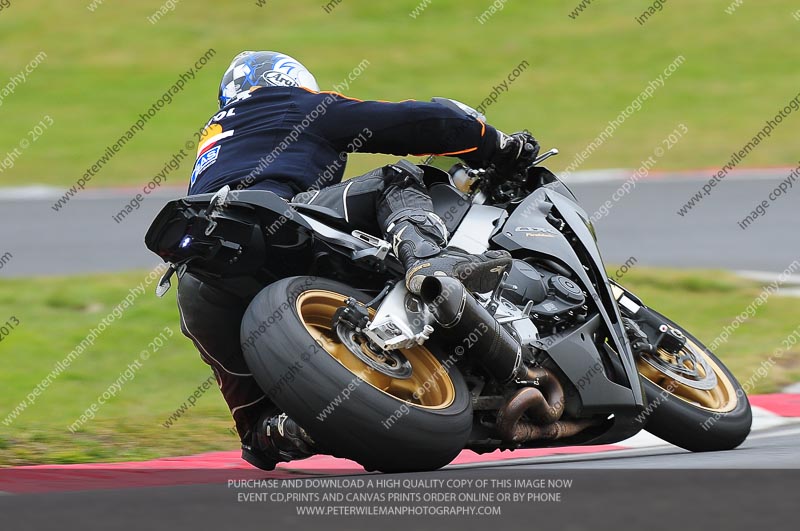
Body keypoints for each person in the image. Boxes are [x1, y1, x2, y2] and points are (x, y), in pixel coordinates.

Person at [178, 51, 540, 470]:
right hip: (277, 221)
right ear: (290, 79)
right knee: (395, 177)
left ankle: (270, 431)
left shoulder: (216, 136)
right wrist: (495, 143)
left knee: (248, 406)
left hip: (198, 271)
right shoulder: (289, 103)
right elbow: (418, 123)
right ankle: (430, 262)